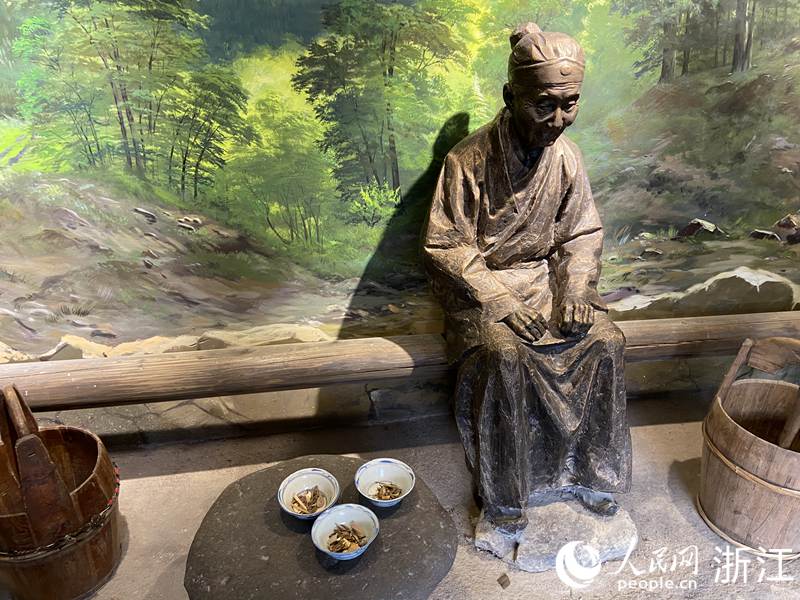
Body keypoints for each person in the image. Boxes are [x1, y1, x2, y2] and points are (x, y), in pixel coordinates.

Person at [421, 22, 631, 535]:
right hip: (483, 293)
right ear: (509, 96)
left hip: (545, 283)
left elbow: (581, 233)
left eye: (569, 104)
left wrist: (576, 288)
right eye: (543, 105)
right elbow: (446, 245)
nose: (558, 120)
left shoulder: (567, 159)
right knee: (504, 354)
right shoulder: (467, 161)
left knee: (605, 341)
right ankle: (507, 494)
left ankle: (593, 476)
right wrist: (501, 303)